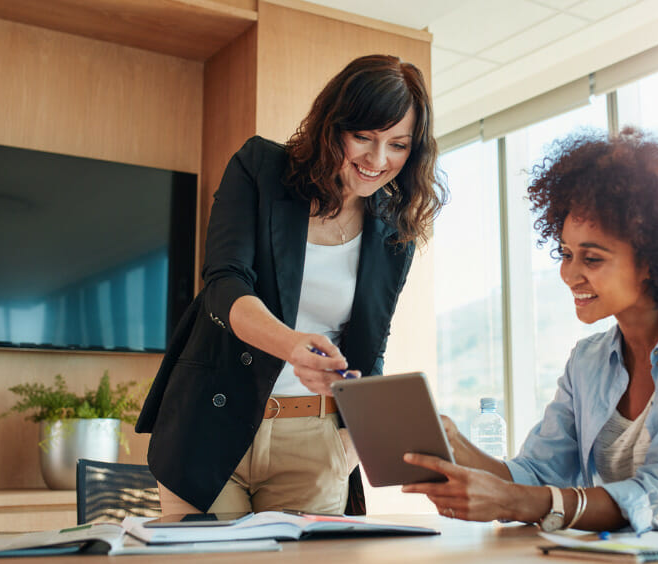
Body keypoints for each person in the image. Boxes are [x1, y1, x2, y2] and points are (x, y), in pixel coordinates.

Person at [402, 127, 658, 535]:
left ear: (652, 261)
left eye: (591, 258)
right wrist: (460, 448)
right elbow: (539, 475)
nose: (570, 274)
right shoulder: (589, 361)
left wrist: (515, 500)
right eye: (566, 254)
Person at [135, 54, 446, 517]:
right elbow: (224, 285)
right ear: (332, 126)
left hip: (315, 444)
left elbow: (367, 350)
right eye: (362, 137)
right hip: (211, 424)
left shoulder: (392, 233)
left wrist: (350, 449)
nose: (378, 160)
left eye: (397, 145)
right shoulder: (261, 169)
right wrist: (292, 345)